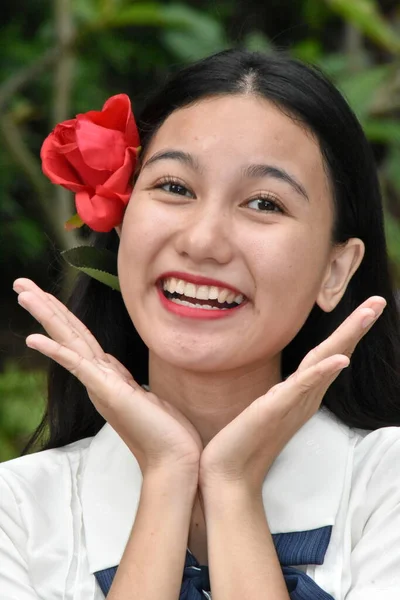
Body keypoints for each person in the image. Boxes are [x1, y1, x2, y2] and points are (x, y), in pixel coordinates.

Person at [1, 48, 400, 600]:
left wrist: (233, 488)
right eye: (175, 187)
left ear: (336, 271)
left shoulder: (387, 489)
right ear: (122, 221)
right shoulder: (17, 513)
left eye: (264, 202)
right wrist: (167, 475)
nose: (202, 241)